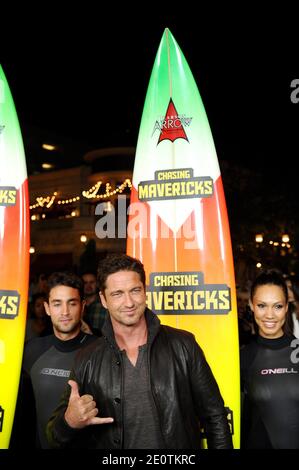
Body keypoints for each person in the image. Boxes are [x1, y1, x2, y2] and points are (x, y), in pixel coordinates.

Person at [46, 254, 232, 449]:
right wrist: (69, 422)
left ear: (145, 292)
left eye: (135, 290)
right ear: (103, 299)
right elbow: (53, 436)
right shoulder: (88, 358)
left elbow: (215, 416)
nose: (129, 303)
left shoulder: (183, 344)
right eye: (117, 294)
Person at [20, 271, 99, 448]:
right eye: (57, 304)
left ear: (83, 306)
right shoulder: (31, 350)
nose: (65, 312)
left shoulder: (101, 351)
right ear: (47, 308)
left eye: (72, 303)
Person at [240, 269, 299, 449]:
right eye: (262, 305)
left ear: (287, 307)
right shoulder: (243, 357)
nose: (270, 315)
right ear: (251, 305)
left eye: (278, 306)